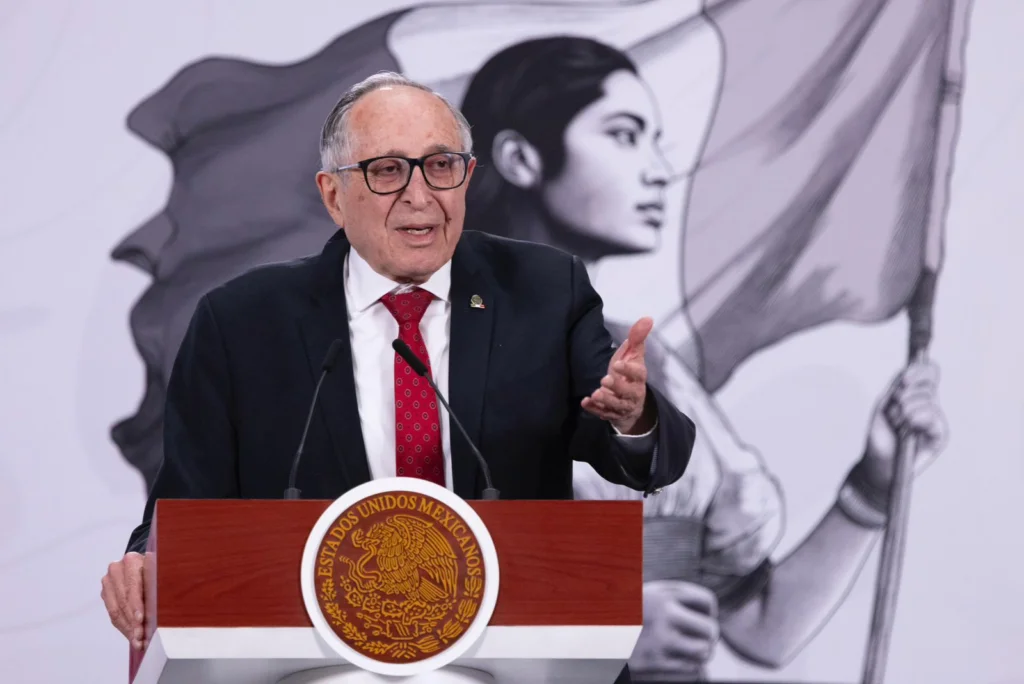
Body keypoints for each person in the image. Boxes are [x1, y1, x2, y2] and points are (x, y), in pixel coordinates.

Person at [99, 70, 697, 677]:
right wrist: (145, 561)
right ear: (334, 196)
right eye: (387, 171)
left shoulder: (544, 290)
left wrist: (634, 418)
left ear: (467, 177)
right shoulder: (242, 322)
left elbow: (647, 457)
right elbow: (185, 502)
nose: (420, 196)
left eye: (440, 166)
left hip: (510, 661)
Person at [459, 37, 948, 681]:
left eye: (655, 140)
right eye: (624, 135)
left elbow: (760, 628)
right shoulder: (427, 358)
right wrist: (595, 641)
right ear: (520, 159)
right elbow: (364, 609)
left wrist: (874, 484)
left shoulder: (646, 363)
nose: (660, 169)